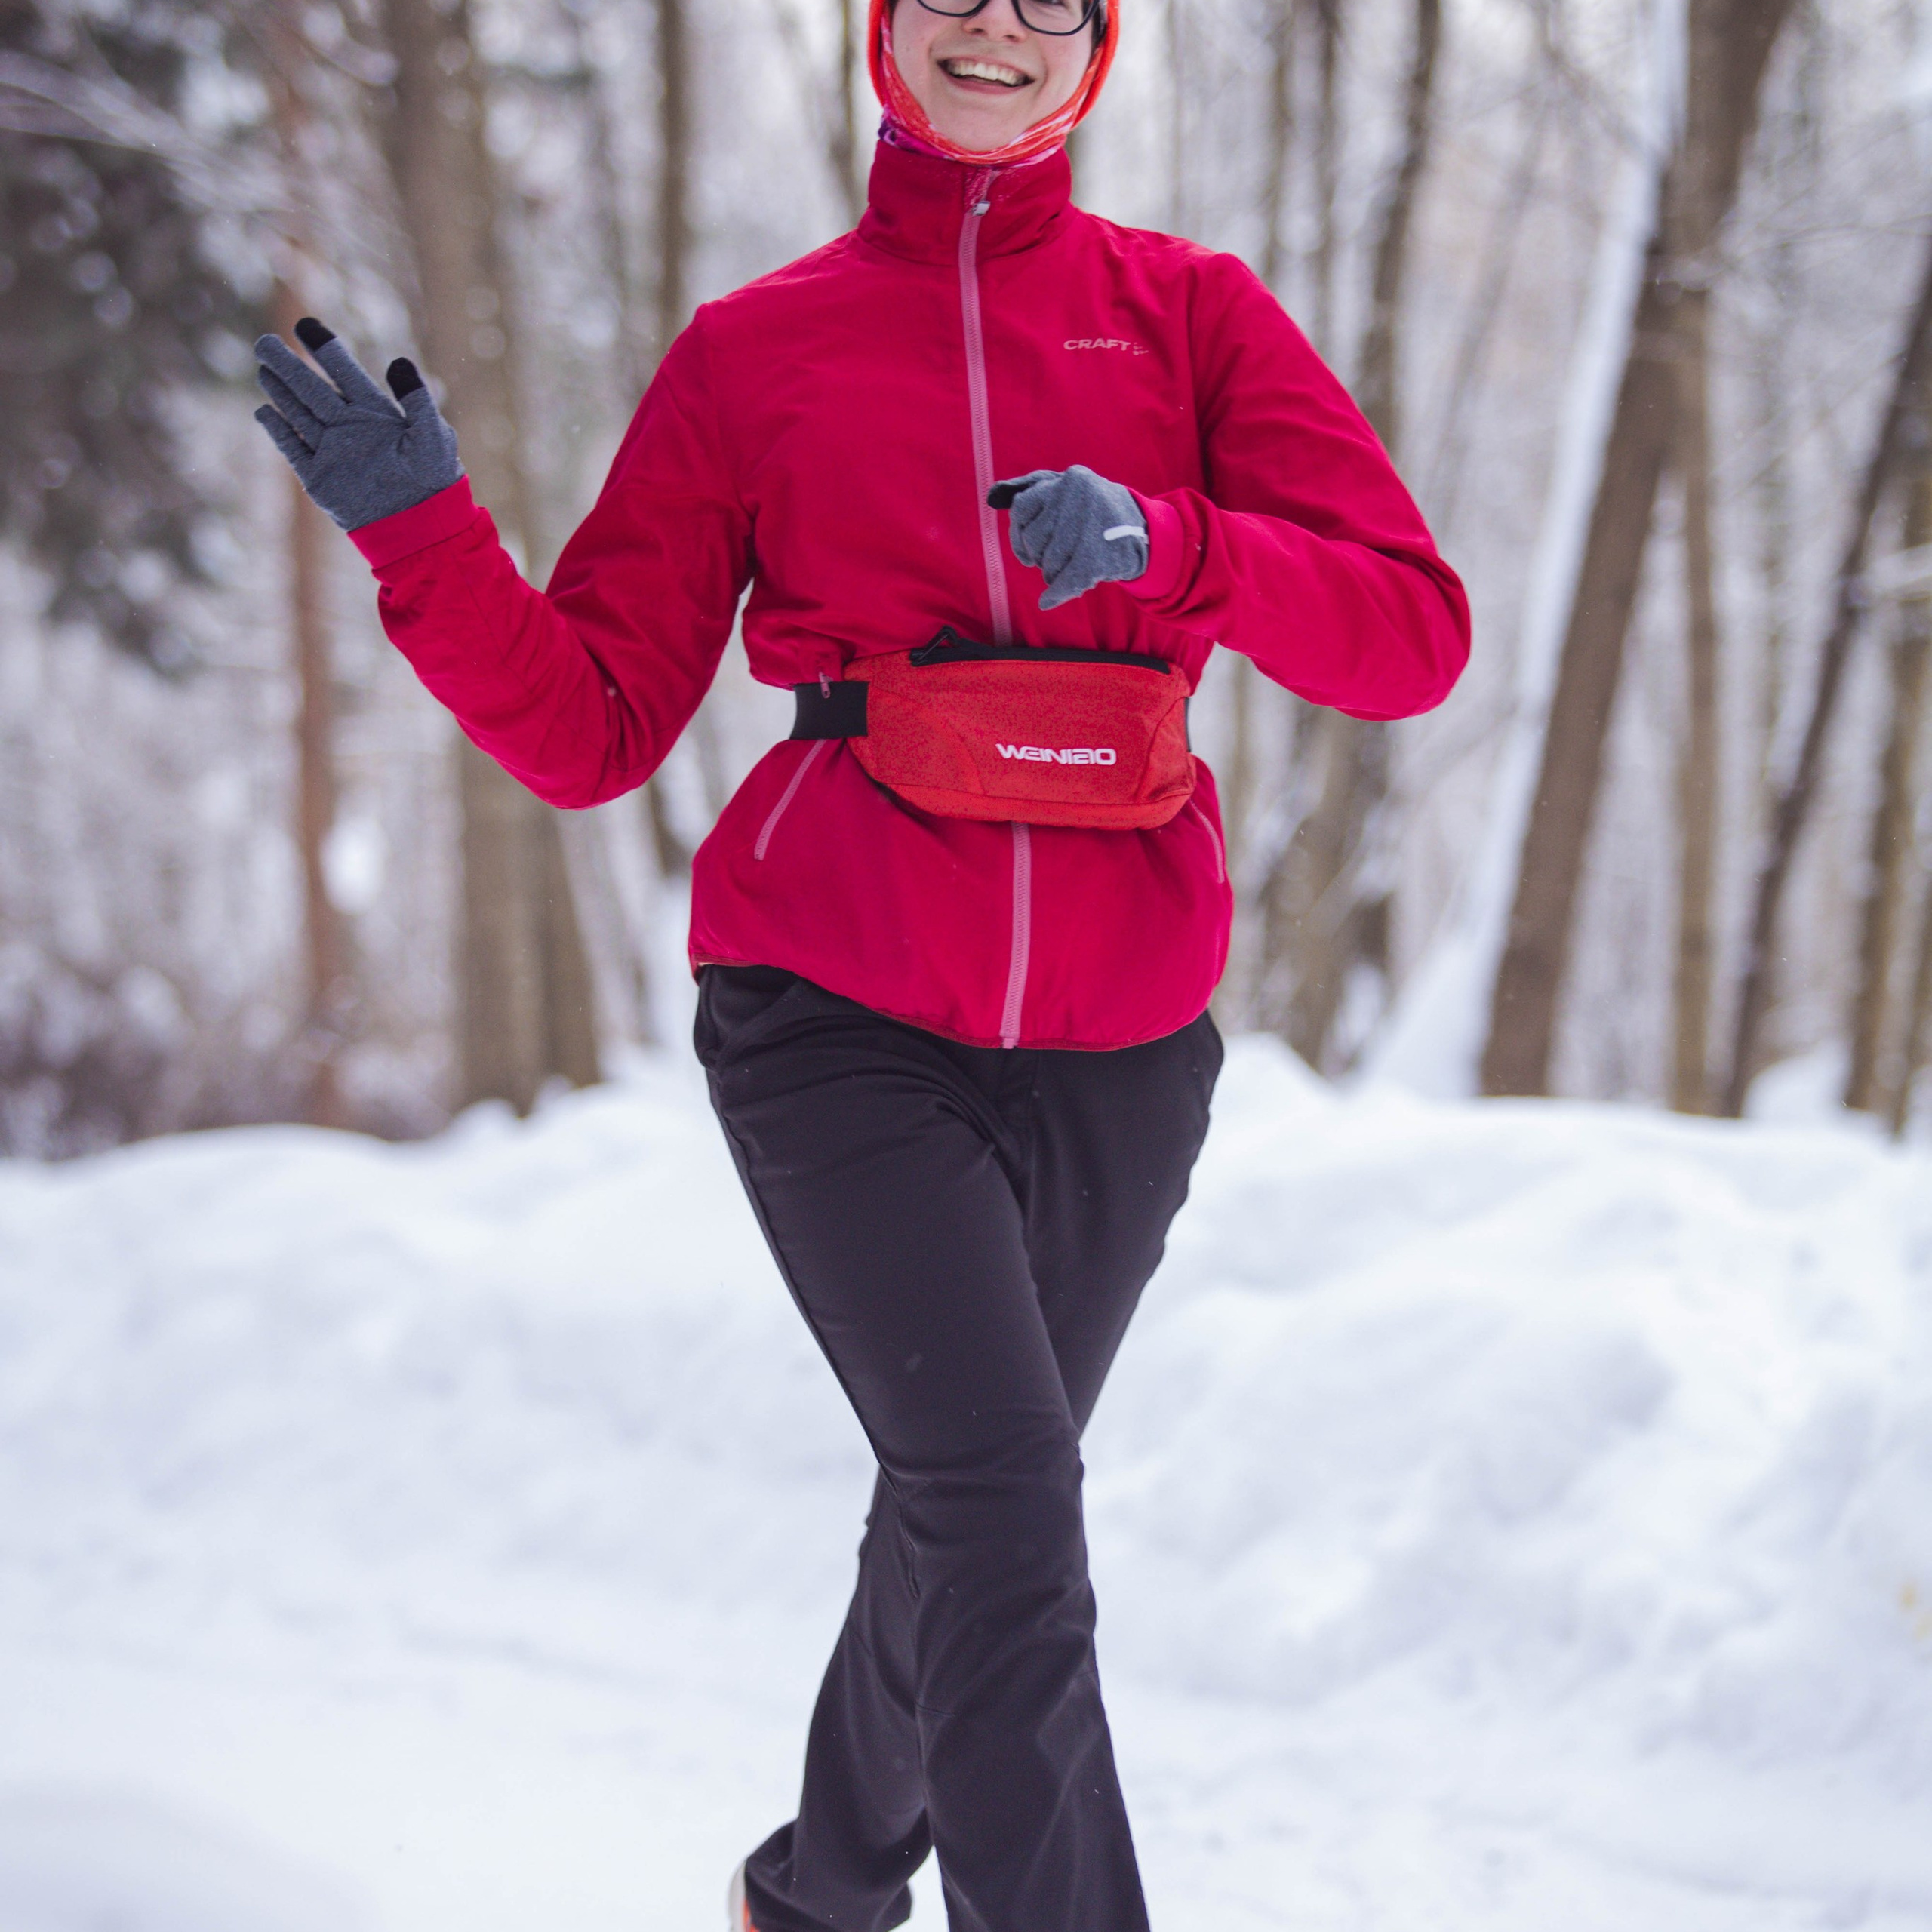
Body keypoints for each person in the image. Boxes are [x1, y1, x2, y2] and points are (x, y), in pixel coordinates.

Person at [251, 2, 1469, 1926]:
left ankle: (809, 1897)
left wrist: (1170, 542)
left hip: (1122, 1041)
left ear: (1093, 46)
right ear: (883, 36)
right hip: (835, 1018)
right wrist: (427, 541)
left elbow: (1411, 635)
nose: (996, 27)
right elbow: (591, 726)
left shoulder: (1193, 317)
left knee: (966, 1503)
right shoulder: (757, 351)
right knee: (1002, 1507)